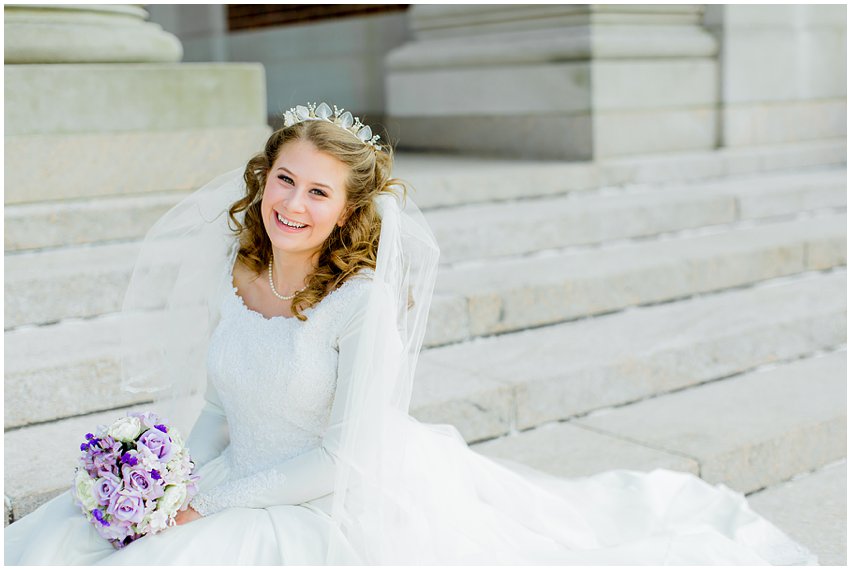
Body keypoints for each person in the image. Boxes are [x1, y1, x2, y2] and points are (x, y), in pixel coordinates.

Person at [4, 102, 818, 565]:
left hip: (331, 498)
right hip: (232, 476)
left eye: (317, 193)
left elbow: (336, 456)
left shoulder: (357, 305)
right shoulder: (239, 270)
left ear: (349, 211)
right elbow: (221, 410)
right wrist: (165, 479)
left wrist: (205, 503)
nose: (292, 204)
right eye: (284, 179)